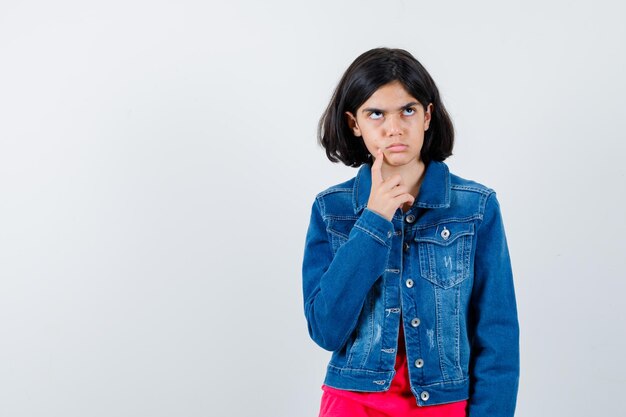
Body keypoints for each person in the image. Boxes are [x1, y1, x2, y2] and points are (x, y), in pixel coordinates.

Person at [301, 47, 519, 417]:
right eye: (375, 114)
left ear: (427, 115)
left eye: (408, 110)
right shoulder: (332, 210)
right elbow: (326, 329)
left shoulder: (475, 207)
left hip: (443, 404)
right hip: (353, 404)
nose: (394, 128)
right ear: (355, 124)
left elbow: (497, 334)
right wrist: (373, 221)